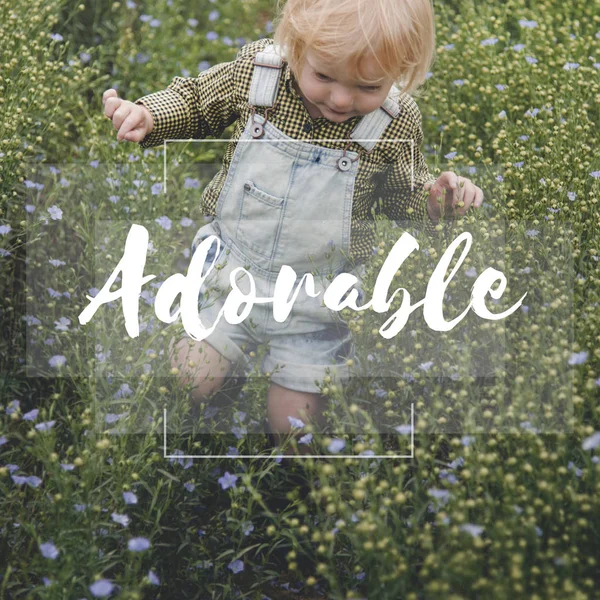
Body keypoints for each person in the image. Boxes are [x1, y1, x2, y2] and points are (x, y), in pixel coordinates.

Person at [102, 0, 483, 456]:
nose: (342, 100)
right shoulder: (258, 74)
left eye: (368, 86)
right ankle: (216, 397)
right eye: (324, 76)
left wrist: (436, 201)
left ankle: (288, 485)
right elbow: (196, 102)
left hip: (316, 298)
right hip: (232, 273)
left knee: (294, 429)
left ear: (401, 72)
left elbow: (403, 196)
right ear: (295, 46)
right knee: (189, 383)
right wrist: (149, 116)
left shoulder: (393, 123)